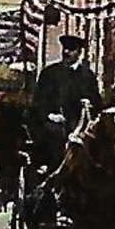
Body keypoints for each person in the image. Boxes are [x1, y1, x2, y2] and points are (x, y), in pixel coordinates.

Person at [30, 34, 103, 172]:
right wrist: (49, 115)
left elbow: (97, 102)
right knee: (53, 135)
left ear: (79, 52)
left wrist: (89, 103)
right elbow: (39, 100)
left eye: (71, 49)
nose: (66, 52)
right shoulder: (49, 73)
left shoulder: (87, 76)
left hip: (79, 124)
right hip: (54, 123)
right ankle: (49, 170)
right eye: (65, 48)